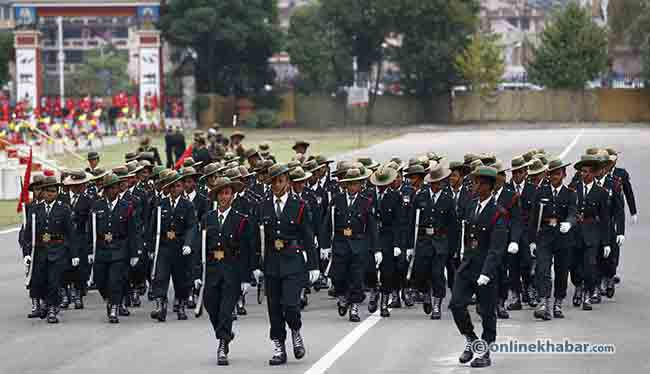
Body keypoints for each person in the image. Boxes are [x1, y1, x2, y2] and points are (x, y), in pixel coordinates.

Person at [257, 163, 319, 365]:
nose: (277, 184)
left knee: (291, 305)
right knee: (274, 308)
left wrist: (314, 266)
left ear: (288, 182)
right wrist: (256, 265)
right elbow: (258, 239)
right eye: (273, 181)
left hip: (293, 260)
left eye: (280, 180)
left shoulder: (299, 205)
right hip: (272, 263)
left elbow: (308, 236)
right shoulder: (264, 205)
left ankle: (295, 330)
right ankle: (279, 346)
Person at [448, 166, 508, 368]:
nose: (475, 185)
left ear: (490, 187)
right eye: (474, 182)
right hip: (468, 265)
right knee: (456, 303)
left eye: (480, 183)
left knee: (487, 312)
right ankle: (471, 338)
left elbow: (496, 248)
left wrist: (486, 273)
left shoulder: (498, 213)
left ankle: (485, 351)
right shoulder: (471, 205)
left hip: (486, 270)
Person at [193, 177, 254, 366]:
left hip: (232, 269)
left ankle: (222, 345)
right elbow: (199, 247)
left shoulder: (241, 220)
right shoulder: (207, 218)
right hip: (211, 270)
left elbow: (246, 250)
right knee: (212, 307)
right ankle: (225, 334)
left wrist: (246, 278)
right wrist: (196, 274)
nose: (224, 197)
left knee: (226, 310)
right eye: (220, 193)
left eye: (227, 193)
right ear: (216, 195)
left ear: (232, 196)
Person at [320, 166, 378, 323]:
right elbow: (327, 223)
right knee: (338, 277)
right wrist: (324, 245)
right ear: (345, 184)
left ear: (360, 185)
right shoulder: (337, 200)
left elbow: (372, 226)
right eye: (350, 183)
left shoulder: (366, 202)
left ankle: (354, 308)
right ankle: (342, 297)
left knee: (356, 278)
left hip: (359, 244)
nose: (353, 186)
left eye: (356, 183)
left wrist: (376, 249)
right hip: (340, 244)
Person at [23, 176, 80, 324]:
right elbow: (28, 233)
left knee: (54, 282)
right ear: (42, 192)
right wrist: (27, 253)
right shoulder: (35, 209)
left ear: (57, 192)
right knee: (40, 281)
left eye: (53, 191)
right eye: (47, 191)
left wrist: (74, 254)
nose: (50, 194)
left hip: (58, 251)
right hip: (40, 251)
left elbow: (71, 233)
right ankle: (46, 304)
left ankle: (53, 309)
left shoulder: (64, 209)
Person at [528, 157, 576, 320]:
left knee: (562, 272)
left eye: (557, 174)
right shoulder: (541, 192)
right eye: (552, 174)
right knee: (543, 270)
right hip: (545, 236)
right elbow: (534, 218)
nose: (554, 177)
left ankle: (558, 303)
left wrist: (568, 223)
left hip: (563, 238)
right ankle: (544, 302)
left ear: (564, 174)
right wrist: (532, 240)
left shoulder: (570, 193)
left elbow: (572, 212)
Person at [90, 173, 140, 323]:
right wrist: (89, 251)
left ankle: (114, 307)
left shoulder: (126, 206)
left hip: (119, 248)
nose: (113, 190)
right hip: (101, 248)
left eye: (115, 187)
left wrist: (134, 253)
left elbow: (132, 231)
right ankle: (108, 299)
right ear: (105, 190)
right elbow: (90, 230)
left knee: (115, 280)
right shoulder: (97, 206)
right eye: (110, 188)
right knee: (100, 279)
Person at [148, 171, 196, 321]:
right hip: (163, 247)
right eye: (173, 186)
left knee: (181, 279)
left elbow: (191, 226)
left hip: (180, 247)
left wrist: (188, 244)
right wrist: (150, 248)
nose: (176, 189)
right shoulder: (160, 205)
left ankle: (181, 305)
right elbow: (152, 227)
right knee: (160, 277)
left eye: (178, 186)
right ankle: (160, 306)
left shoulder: (187, 205)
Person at [410, 164, 456, 320]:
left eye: (441, 181)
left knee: (437, 274)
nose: (438, 184)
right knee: (421, 273)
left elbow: (453, 225)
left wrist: (453, 248)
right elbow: (412, 222)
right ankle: (426, 294)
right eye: (435, 182)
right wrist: (411, 244)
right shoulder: (420, 196)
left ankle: (437, 304)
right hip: (423, 241)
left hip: (440, 242)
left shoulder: (448, 199)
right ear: (430, 183)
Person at [569, 154, 609, 311]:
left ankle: (587, 293)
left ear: (593, 173)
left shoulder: (601, 192)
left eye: (587, 172)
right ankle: (578, 286)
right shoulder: (572, 189)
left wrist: (606, 242)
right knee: (574, 265)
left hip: (592, 233)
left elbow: (605, 219)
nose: (584, 174)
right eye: (582, 171)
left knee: (590, 266)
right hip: (575, 232)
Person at [368, 164, 405, 317]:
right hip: (371, 236)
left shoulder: (395, 196)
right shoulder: (368, 195)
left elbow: (398, 222)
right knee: (368, 269)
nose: (382, 187)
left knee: (387, 271)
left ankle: (384, 302)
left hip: (387, 237)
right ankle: (373, 291)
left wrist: (397, 244)